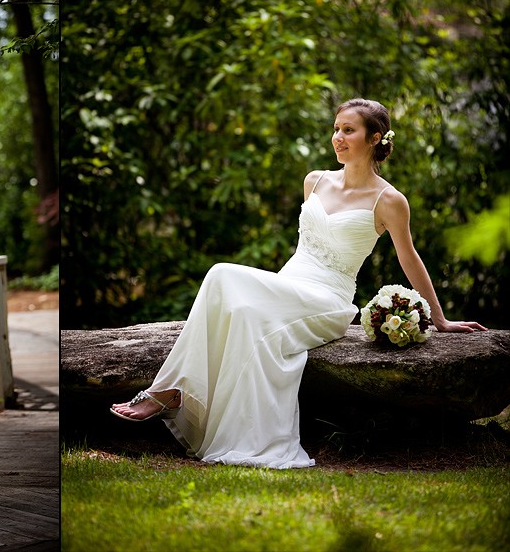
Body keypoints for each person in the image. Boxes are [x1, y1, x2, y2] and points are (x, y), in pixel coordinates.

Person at [110, 98, 487, 468]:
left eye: (349, 130)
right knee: (243, 315)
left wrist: (439, 319)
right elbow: (305, 247)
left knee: (221, 273)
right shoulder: (315, 180)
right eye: (336, 129)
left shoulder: (389, 200)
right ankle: (203, 412)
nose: (338, 137)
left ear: (375, 138)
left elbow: (409, 258)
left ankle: (169, 392)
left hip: (329, 299)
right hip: (289, 285)